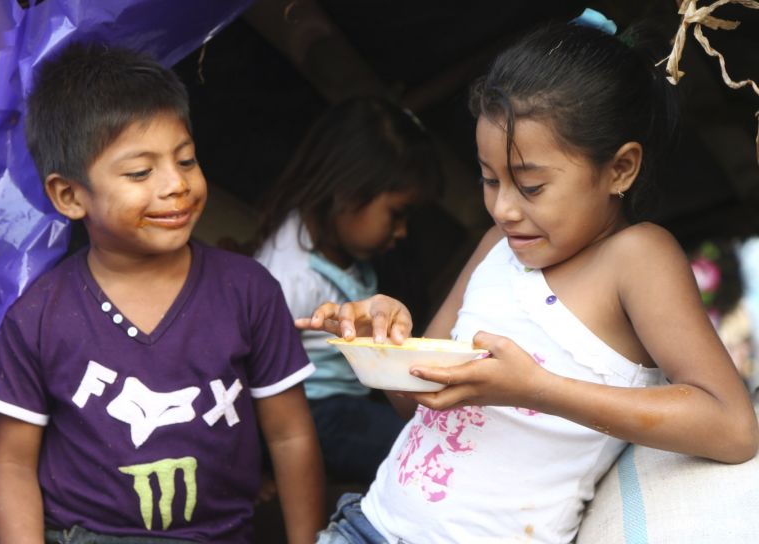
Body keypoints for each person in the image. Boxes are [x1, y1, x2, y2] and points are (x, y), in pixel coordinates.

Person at [298, 20, 759, 544]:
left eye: (531, 185)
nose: (503, 207)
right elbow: (418, 400)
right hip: (365, 525)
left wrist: (538, 389)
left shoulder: (636, 258)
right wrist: (382, 348)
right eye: (489, 179)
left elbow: (731, 427)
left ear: (621, 169)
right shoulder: (496, 246)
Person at [0, 42, 324, 544]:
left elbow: (290, 435)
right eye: (141, 172)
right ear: (70, 196)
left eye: (185, 160)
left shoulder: (248, 291)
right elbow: (11, 465)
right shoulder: (38, 318)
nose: (175, 185)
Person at [254, 96, 444, 484]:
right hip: (317, 413)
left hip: (350, 397)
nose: (402, 231)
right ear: (349, 192)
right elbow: (246, 369)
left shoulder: (334, 240)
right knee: (419, 449)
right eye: (397, 213)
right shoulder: (291, 278)